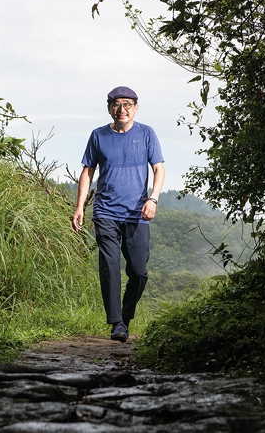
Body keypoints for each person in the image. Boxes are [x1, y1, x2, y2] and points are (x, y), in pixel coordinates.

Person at [71, 86, 165, 343]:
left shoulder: (146, 134)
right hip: (105, 212)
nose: (121, 109)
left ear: (135, 107)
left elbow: (158, 169)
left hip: (137, 213)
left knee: (139, 272)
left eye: (127, 104)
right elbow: (87, 172)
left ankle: (125, 316)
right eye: (116, 104)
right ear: (109, 107)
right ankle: (116, 323)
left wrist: (153, 199)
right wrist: (80, 206)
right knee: (110, 267)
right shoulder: (98, 135)